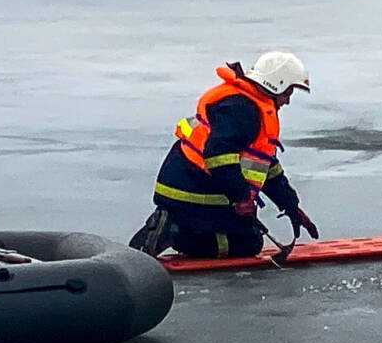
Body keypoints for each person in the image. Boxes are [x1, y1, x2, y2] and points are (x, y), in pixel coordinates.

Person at [129, 51, 319, 258]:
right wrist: (241, 198)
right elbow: (218, 157)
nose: (287, 102)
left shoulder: (246, 104)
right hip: (194, 194)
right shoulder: (243, 110)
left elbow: (266, 167)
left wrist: (290, 205)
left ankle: (177, 225)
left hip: (191, 187)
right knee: (248, 243)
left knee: (246, 234)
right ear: (277, 85)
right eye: (287, 94)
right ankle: (175, 230)